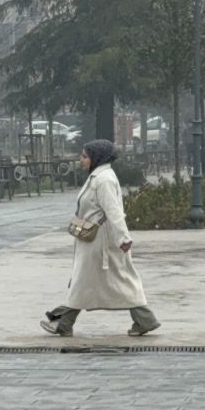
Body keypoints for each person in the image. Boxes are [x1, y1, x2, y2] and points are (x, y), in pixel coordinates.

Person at [41, 139, 160, 338]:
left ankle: (64, 322)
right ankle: (144, 319)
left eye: (84, 156)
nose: (81, 160)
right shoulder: (98, 176)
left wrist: (124, 238)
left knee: (87, 281)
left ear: (96, 158)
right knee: (105, 281)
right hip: (95, 240)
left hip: (100, 241)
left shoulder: (103, 179)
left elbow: (114, 212)